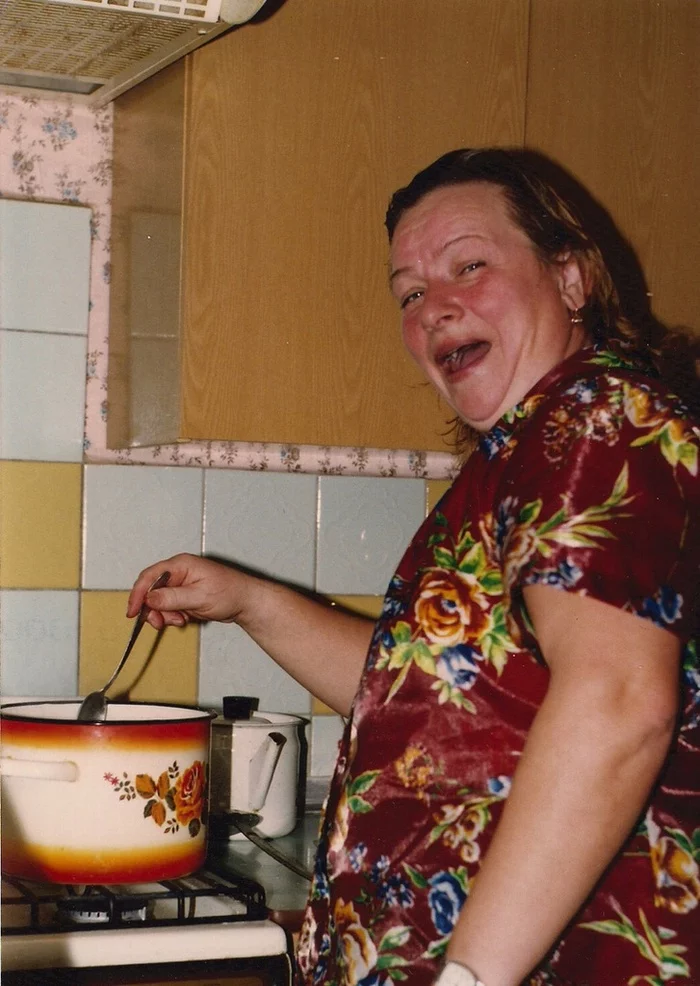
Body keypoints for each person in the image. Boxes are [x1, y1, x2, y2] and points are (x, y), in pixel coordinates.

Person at [128, 148, 700, 986]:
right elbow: (445, 695)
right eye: (411, 292)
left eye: (470, 264)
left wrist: (470, 977)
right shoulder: (529, 453)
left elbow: (616, 702)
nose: (436, 307)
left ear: (572, 278)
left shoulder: (597, 422)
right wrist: (251, 602)